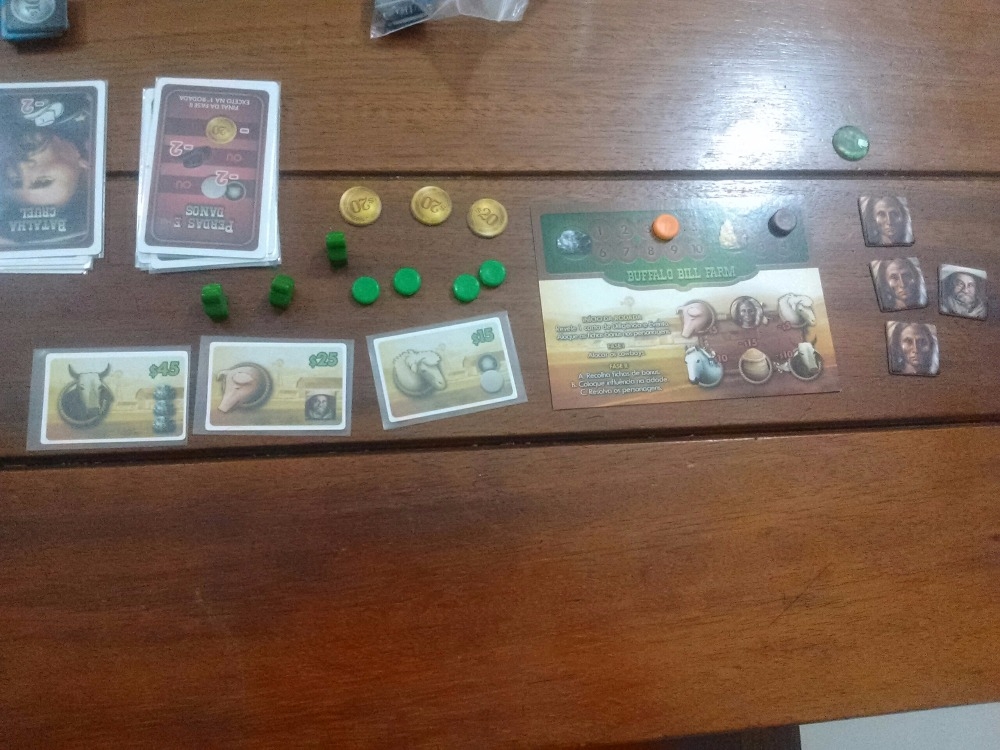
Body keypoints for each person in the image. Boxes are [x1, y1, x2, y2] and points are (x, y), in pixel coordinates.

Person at [0, 91, 94, 246]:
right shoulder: (89, 111)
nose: (23, 168)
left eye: (15, 181)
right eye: (43, 181)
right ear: (83, 164)